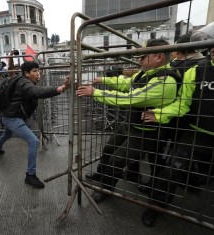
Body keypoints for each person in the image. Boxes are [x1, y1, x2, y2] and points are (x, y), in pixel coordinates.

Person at [76, 39, 179, 203]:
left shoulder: (165, 81)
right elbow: (126, 83)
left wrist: (95, 92)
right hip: (130, 124)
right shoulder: (146, 73)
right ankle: (101, 175)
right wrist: (103, 80)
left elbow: (130, 98)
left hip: (145, 133)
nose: (140, 60)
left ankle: (106, 188)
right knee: (109, 149)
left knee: (117, 159)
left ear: (159, 57)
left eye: (144, 56)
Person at [140, 47, 214, 227]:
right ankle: (156, 206)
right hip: (198, 132)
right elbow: (183, 103)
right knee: (170, 170)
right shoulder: (196, 70)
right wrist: (161, 114)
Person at [138, 33, 205, 196]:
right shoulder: (198, 65)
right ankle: (188, 185)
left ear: (179, 49)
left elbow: (183, 101)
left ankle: (160, 191)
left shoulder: (193, 67)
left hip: (175, 120)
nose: (171, 52)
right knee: (170, 158)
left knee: (165, 159)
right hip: (183, 119)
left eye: (173, 48)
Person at [0, 61, 70, 188]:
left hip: (10, 116)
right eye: (34, 71)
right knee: (33, 141)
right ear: (26, 73)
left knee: (6, 134)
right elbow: (36, 91)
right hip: (12, 118)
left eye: (39, 70)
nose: (38, 73)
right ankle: (30, 175)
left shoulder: (20, 79)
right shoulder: (24, 83)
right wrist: (59, 89)